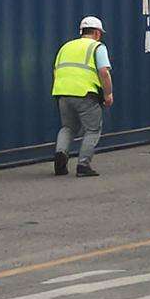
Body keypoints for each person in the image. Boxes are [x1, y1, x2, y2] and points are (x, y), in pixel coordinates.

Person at [52, 15, 114, 177]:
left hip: (62, 92)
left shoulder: (66, 47)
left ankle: (61, 154)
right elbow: (104, 72)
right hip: (85, 93)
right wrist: (108, 94)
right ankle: (83, 165)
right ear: (97, 33)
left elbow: (56, 70)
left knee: (68, 127)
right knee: (93, 129)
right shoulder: (97, 47)